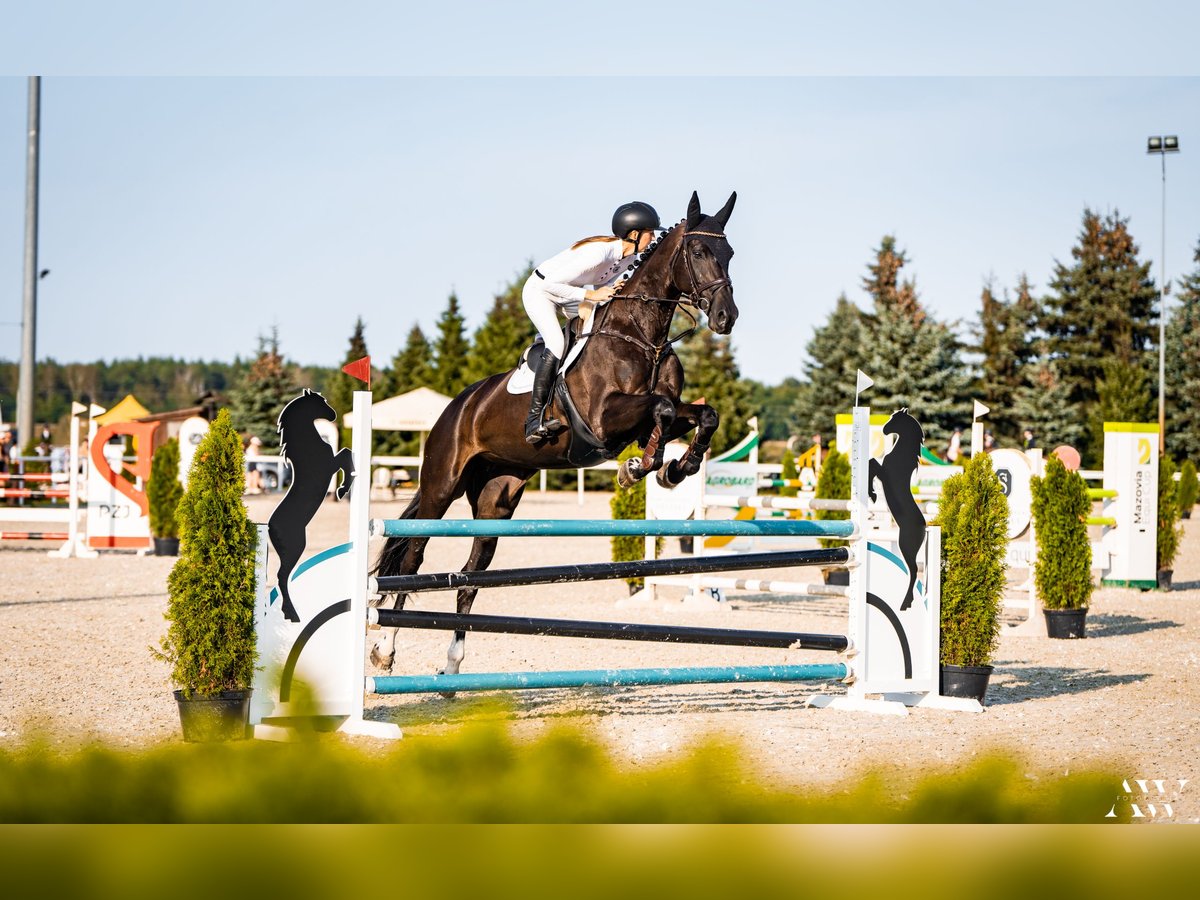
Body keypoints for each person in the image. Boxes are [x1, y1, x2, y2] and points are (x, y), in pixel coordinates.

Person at [521, 201, 660, 443]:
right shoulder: (599, 252)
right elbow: (550, 285)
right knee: (556, 344)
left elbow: (600, 287)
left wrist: (609, 291)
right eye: (651, 232)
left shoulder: (627, 259)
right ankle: (534, 419)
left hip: (570, 292)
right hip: (540, 291)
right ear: (635, 234)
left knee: (601, 324)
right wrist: (591, 295)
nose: (654, 236)